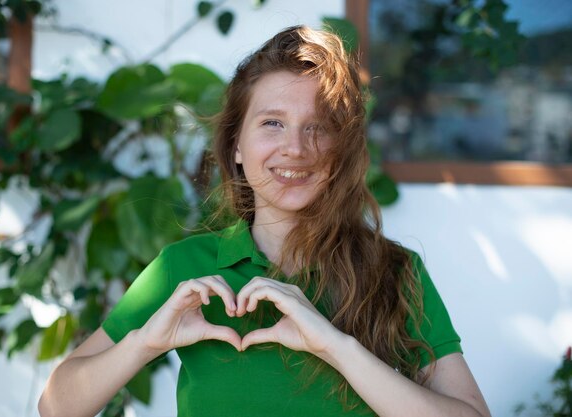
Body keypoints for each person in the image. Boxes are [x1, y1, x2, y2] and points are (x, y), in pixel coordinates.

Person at [38, 25, 491, 417]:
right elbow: (56, 407)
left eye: (318, 126)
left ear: (342, 150)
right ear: (236, 145)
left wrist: (336, 346)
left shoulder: (395, 271)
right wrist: (144, 344)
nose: (295, 147)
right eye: (272, 123)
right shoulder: (184, 267)